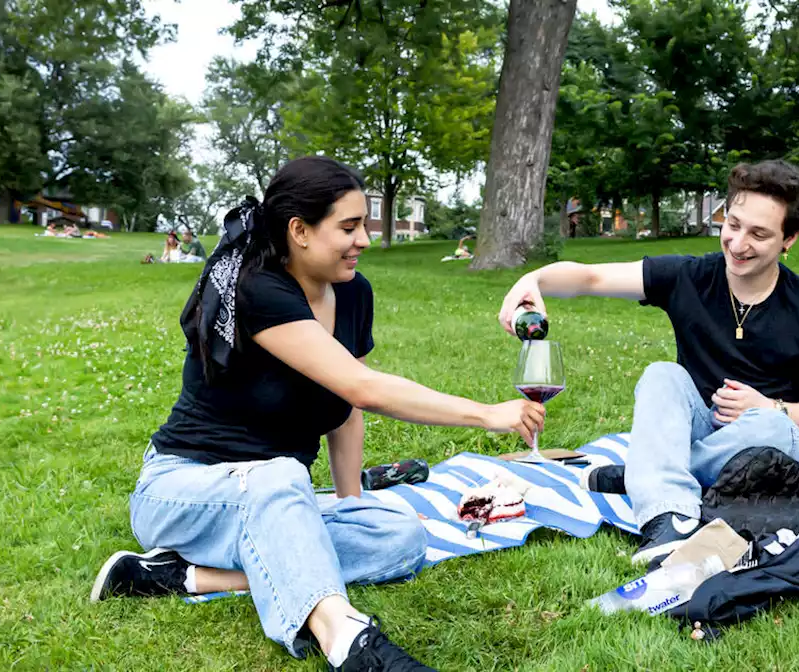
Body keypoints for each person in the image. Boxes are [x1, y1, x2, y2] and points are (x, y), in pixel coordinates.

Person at [90, 156, 544, 671]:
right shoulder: (256, 291)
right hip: (184, 492)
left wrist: (351, 501)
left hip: (278, 497)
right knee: (281, 475)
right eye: (349, 227)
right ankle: (347, 640)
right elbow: (363, 387)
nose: (365, 240)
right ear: (299, 231)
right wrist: (487, 414)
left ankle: (170, 578)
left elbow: (345, 406)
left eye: (365, 225)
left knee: (401, 539)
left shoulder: (354, 293)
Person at [496, 160, 799, 566]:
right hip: (701, 426)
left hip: (772, 453)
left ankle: (644, 475)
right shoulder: (690, 276)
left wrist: (769, 407)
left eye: (759, 234)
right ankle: (671, 516)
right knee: (661, 374)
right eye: (732, 225)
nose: (737, 243)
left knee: (771, 427)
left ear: (789, 239)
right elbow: (591, 278)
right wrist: (533, 281)